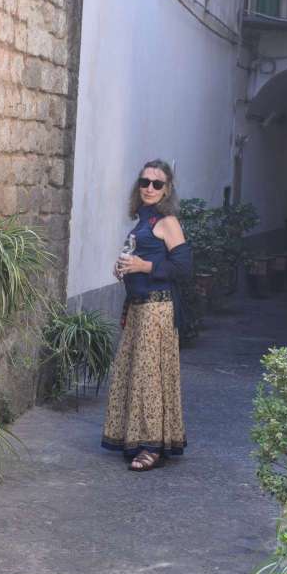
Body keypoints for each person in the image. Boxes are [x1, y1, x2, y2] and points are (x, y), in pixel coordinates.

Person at [101, 159, 192, 471]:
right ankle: (138, 439)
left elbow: (184, 267)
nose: (149, 188)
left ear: (167, 189)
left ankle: (152, 447)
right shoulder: (142, 221)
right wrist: (123, 268)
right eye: (145, 182)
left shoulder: (167, 221)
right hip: (139, 308)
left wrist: (144, 266)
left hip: (157, 309)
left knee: (150, 377)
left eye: (157, 184)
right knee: (134, 374)